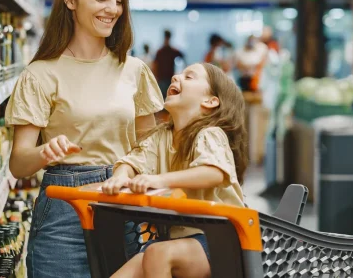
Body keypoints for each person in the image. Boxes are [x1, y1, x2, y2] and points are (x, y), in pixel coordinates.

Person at [4, 0, 164, 278]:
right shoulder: (41, 74)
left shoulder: (134, 71)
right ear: (71, 0)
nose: (112, 9)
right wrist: (43, 152)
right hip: (65, 210)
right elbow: (18, 163)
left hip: (125, 203)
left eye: (118, 0)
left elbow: (151, 148)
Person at [102, 63, 248, 278]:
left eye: (189, 77)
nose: (175, 77)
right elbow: (133, 161)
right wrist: (120, 176)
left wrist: (160, 180)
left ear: (210, 101)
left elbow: (213, 172)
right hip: (176, 241)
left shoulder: (210, 134)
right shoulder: (160, 136)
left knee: (157, 253)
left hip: (221, 240)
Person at [153, 30, 185, 96]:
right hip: (164, 78)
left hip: (167, 78)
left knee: (164, 97)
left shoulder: (162, 51)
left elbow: (155, 65)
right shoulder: (163, 51)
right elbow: (155, 65)